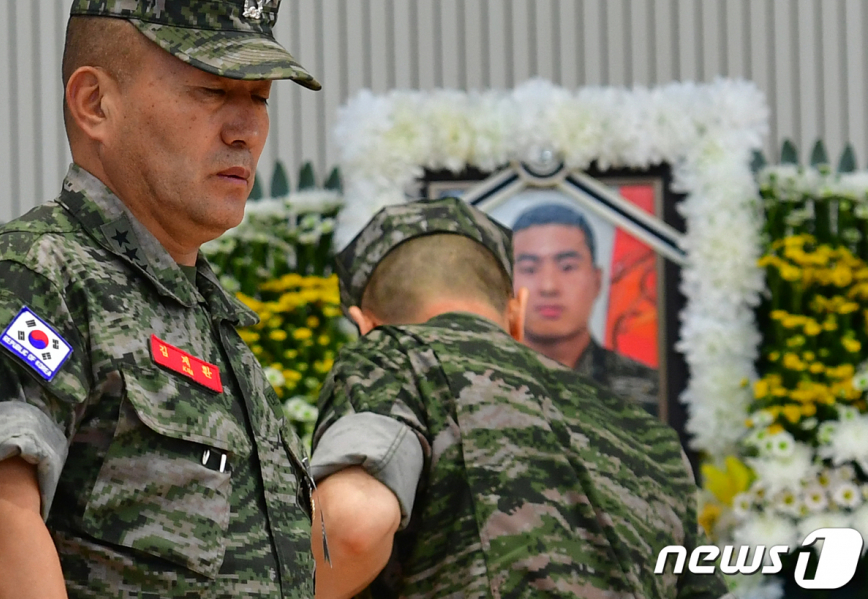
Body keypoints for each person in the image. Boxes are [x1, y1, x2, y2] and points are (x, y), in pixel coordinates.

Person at [0, 0, 320, 599]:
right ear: (95, 104)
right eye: (213, 90)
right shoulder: (33, 278)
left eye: (261, 98)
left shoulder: (204, 315)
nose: (246, 128)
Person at [310, 197, 730, 599]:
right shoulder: (649, 434)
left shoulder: (394, 356)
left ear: (365, 325)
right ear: (517, 312)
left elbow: (351, 527)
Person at [512, 202, 661, 416]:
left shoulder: (653, 390)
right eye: (529, 269)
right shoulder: (471, 387)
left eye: (567, 267)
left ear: (597, 282)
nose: (548, 287)